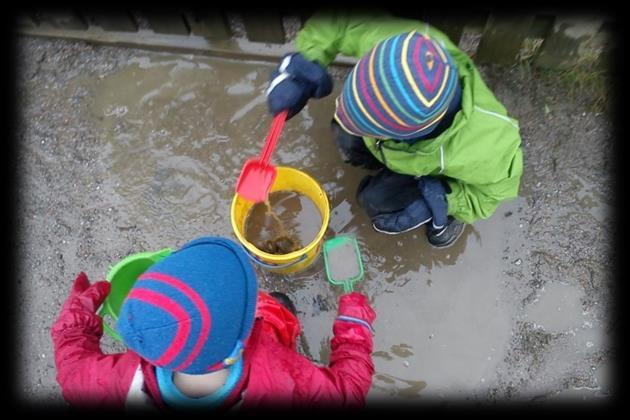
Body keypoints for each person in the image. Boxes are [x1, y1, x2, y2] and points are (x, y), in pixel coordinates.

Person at [266, 10, 523, 248]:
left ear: (407, 137)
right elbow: (342, 21)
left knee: (376, 202)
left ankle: (447, 218)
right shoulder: (399, 46)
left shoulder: (489, 146)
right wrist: (303, 64)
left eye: (370, 127)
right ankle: (381, 155)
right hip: (397, 145)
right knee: (344, 135)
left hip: (435, 171)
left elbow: (494, 193)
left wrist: (448, 199)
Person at [51, 236, 376, 410]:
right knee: (277, 305)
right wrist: (354, 324)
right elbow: (348, 391)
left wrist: (75, 323)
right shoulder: (277, 375)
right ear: (240, 345)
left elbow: (73, 372)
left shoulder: (121, 381)